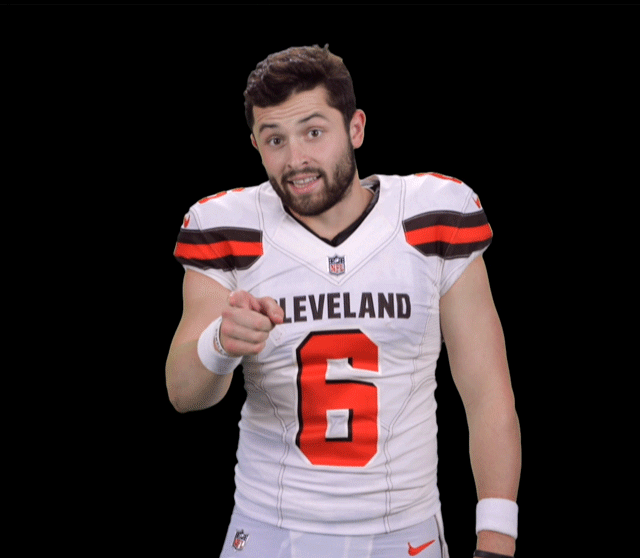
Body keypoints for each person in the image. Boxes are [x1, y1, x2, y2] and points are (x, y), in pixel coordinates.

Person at [166, 45, 521, 558]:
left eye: (313, 132)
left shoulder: (433, 216)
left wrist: (496, 536)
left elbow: (487, 392)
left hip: (405, 532)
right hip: (269, 529)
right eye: (275, 139)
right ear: (256, 145)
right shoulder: (227, 225)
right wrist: (220, 342)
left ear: (355, 128)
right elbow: (182, 392)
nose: (296, 160)